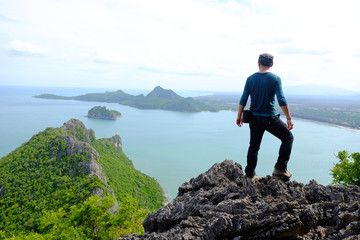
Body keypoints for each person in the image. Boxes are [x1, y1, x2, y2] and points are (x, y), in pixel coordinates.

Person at [236, 53, 294, 183]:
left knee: (254, 146)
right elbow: (281, 99)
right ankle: (280, 168)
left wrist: (239, 115)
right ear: (272, 64)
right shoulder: (275, 79)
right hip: (269, 118)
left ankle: (250, 175)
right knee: (288, 138)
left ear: (258, 63)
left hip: (254, 118)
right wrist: (289, 118)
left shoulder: (250, 79)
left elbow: (244, 98)